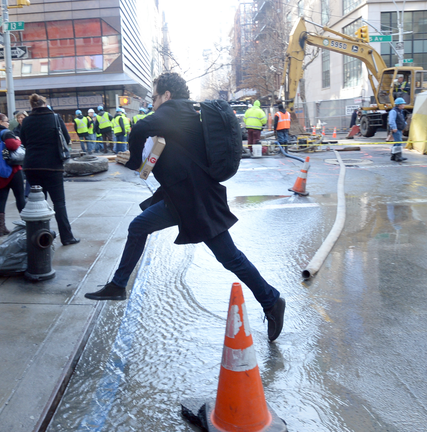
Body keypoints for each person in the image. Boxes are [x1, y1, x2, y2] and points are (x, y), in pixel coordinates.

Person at [83, 72, 286, 342]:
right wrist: (144, 163)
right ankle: (118, 285)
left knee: (229, 257)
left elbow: (141, 127)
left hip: (195, 200)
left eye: (154, 97)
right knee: (140, 227)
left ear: (166, 96)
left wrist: (132, 162)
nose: (152, 103)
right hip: (184, 198)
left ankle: (271, 299)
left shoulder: (174, 111)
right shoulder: (183, 114)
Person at [19, 93, 80, 246]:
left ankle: (40, 237)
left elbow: (24, 142)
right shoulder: (55, 118)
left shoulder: (26, 121)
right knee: (59, 203)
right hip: (53, 166)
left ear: (32, 105)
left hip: (32, 166)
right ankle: (66, 237)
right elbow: (66, 139)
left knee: (37, 203)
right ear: (44, 103)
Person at [0, 113, 26, 236]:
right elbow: (12, 145)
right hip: (12, 170)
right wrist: (18, 141)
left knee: (1, 199)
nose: (8, 123)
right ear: (1, 122)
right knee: (20, 197)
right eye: (7, 121)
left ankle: (1, 228)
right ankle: (25, 225)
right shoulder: (6, 133)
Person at [388, 97, 408, 162]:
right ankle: (398, 156)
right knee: (399, 142)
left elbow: (402, 120)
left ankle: (394, 156)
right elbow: (391, 120)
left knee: (397, 142)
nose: (404, 105)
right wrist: (394, 127)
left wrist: (404, 125)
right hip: (396, 129)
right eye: (403, 104)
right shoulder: (394, 111)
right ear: (399, 104)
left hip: (399, 129)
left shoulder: (400, 111)